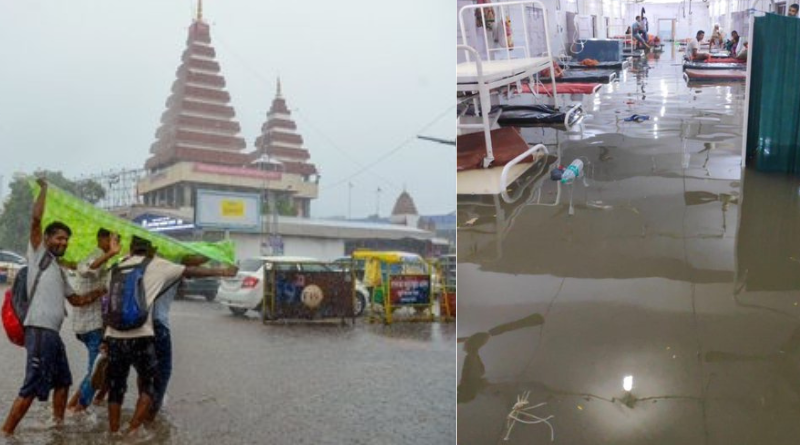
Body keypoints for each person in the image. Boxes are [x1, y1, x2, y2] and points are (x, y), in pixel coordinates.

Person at [1, 178, 107, 436]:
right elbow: (36, 221)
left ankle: (57, 428)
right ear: (47, 238)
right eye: (59, 238)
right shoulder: (38, 256)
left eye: (66, 240)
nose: (64, 243)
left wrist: (100, 290)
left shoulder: (58, 271)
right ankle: (6, 433)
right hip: (38, 331)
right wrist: (44, 190)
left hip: (53, 335)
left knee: (63, 382)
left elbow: (77, 300)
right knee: (30, 387)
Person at [104, 236, 237, 435]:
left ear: (131, 248)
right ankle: (138, 427)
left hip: (115, 333)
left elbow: (108, 303)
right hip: (146, 331)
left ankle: (113, 433)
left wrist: (104, 337)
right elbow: (192, 269)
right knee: (156, 379)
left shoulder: (117, 266)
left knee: (116, 387)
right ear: (152, 248)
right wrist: (223, 271)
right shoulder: (162, 264)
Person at [66, 228, 120, 413]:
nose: (116, 244)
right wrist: (111, 253)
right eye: (113, 240)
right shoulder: (95, 255)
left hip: (90, 325)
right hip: (91, 326)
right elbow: (87, 268)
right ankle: (77, 410)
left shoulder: (104, 262)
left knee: (96, 370)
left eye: (117, 240)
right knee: (95, 372)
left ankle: (72, 405)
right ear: (102, 239)